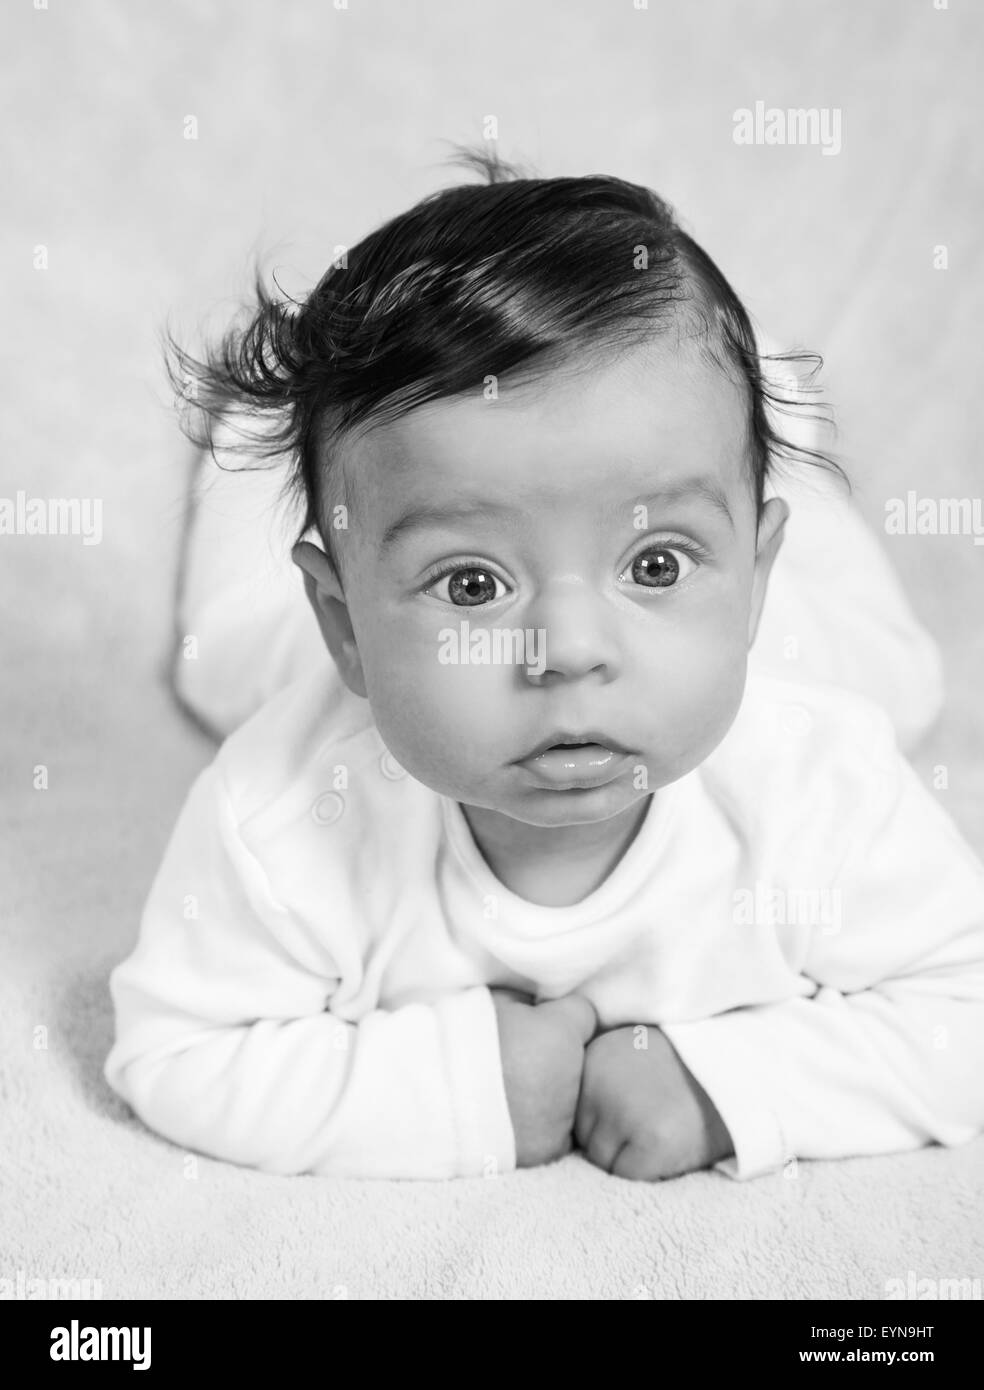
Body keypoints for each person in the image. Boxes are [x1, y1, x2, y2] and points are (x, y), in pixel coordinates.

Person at [104, 150, 984, 1182]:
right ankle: (264, 430)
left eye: (656, 562)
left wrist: (724, 1085)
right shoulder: (283, 818)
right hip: (314, 644)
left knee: (898, 675)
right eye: (472, 585)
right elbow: (176, 1051)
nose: (567, 650)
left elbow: (961, 1013)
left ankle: (764, 400)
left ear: (755, 582)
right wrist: (470, 1091)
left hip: (800, 644)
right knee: (226, 645)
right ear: (343, 624)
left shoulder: (824, 783)